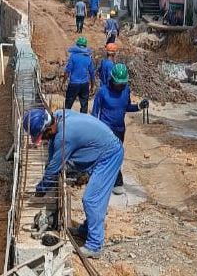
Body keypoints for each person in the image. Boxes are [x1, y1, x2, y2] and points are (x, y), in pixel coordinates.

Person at [23, 108, 123, 259]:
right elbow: (53, 149)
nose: (43, 140)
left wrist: (40, 190)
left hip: (109, 155)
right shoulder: (58, 116)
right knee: (92, 198)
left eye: (43, 136)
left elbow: (53, 169)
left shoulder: (65, 136)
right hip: (102, 148)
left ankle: (95, 245)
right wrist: (49, 167)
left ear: (49, 128)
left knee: (92, 200)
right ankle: (86, 230)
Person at [91, 63, 149, 195]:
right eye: (119, 84)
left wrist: (139, 106)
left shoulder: (126, 90)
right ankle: (116, 182)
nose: (121, 87)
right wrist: (95, 131)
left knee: (115, 155)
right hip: (106, 129)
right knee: (110, 154)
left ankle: (109, 179)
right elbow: (95, 113)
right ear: (112, 80)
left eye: (123, 84)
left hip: (120, 130)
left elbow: (126, 107)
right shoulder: (102, 92)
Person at [64, 37, 95, 113]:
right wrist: (92, 86)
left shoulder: (73, 56)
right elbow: (92, 73)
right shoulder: (88, 57)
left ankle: (66, 118)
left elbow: (68, 71)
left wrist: (63, 82)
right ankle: (83, 118)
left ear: (77, 45)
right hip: (85, 84)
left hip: (74, 84)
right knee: (84, 106)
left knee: (68, 105)